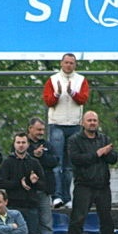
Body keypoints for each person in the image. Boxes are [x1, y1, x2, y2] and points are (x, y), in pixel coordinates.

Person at [66, 111, 118, 234]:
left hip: (103, 186)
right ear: (83, 123)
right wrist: (97, 154)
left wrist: (107, 153)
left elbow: (114, 159)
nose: (92, 123)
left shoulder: (104, 138)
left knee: (107, 220)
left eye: (95, 120)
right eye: (89, 120)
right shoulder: (74, 140)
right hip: (84, 185)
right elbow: (76, 159)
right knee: (78, 219)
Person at [43, 53, 90, 208]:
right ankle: (56, 196)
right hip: (57, 123)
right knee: (56, 162)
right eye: (66, 62)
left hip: (75, 124)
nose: (69, 65)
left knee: (69, 166)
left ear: (75, 65)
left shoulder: (81, 80)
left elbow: (83, 99)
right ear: (61, 63)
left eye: (72, 63)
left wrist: (72, 93)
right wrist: (57, 93)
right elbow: (48, 101)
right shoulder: (53, 79)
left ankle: (67, 197)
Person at [0, 132, 47, 234]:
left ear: (28, 144)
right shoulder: (7, 162)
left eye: (23, 142)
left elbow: (44, 184)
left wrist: (35, 182)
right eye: (18, 142)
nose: (21, 145)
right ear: (14, 144)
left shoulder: (34, 162)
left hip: (31, 206)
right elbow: (1, 182)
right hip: (14, 206)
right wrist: (19, 183)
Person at [25, 117, 58, 234]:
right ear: (30, 129)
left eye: (43, 130)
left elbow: (55, 161)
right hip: (27, 191)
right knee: (31, 223)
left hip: (44, 189)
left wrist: (42, 156)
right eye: (38, 129)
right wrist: (34, 155)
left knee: (46, 223)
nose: (41, 132)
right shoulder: (23, 143)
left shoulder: (47, 145)